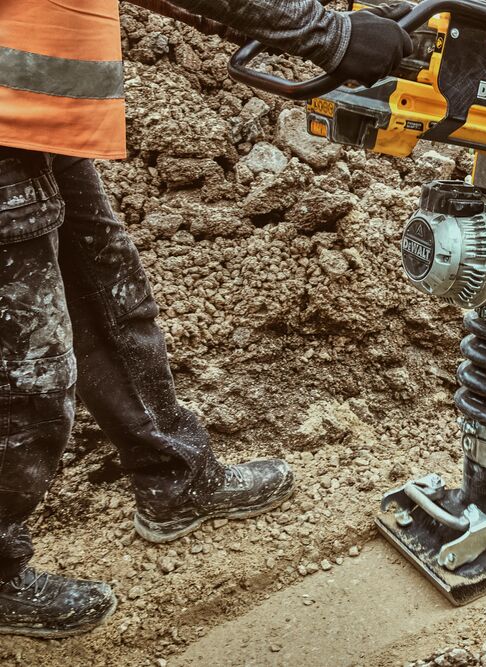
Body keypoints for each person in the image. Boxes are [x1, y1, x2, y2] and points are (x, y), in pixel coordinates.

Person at [0, 0, 413, 638]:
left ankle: (175, 478)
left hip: (35, 105)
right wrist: (325, 33)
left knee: (107, 291)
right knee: (29, 373)